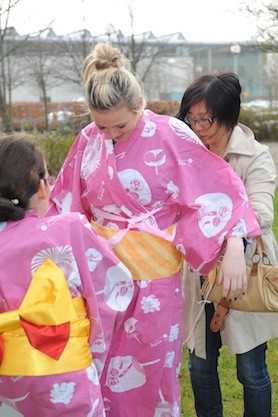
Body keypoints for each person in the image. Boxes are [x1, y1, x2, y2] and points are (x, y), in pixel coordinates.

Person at [49, 43, 261, 417]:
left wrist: (232, 244)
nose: (111, 134)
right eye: (102, 125)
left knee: (152, 373)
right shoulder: (87, 140)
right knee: (100, 367)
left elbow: (220, 191)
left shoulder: (171, 135)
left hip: (154, 286)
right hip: (100, 282)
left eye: (121, 125)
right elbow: (64, 204)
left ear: (140, 104)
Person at [0, 134, 133, 417]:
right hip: (64, 368)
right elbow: (114, 287)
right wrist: (93, 350)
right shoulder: (67, 229)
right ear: (40, 187)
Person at [176, 72, 278, 417]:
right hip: (199, 274)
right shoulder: (186, 152)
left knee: (251, 371)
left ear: (229, 113)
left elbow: (262, 212)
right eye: (193, 117)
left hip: (244, 273)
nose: (199, 126)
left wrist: (234, 242)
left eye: (207, 118)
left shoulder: (254, 155)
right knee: (199, 369)